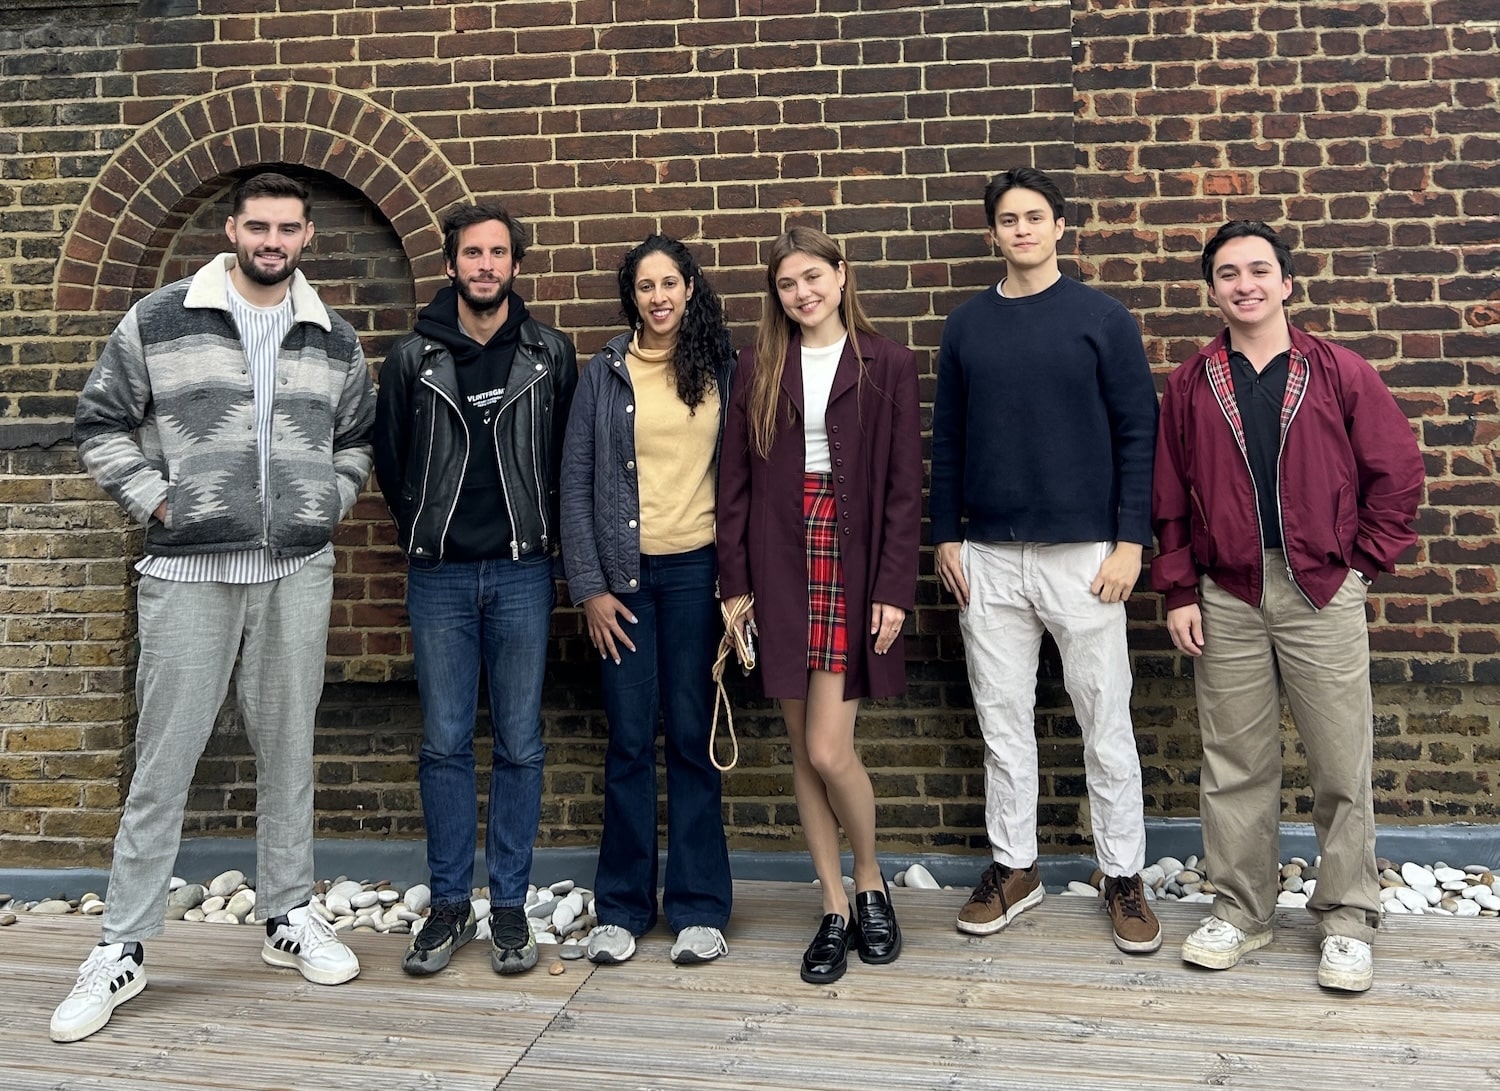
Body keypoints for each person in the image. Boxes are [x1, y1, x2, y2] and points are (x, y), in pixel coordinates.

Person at [57, 172, 373, 1043]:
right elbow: (99, 424)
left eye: (289, 228)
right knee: (164, 763)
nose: (273, 240)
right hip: (189, 575)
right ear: (232, 228)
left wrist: (327, 505)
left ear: (308, 237)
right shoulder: (161, 319)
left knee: (289, 751)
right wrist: (160, 501)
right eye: (258, 225)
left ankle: (286, 916)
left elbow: (355, 440)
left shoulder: (332, 336)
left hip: (294, 573)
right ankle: (120, 943)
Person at [1153, 220, 1424, 992]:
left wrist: (1364, 564)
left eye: (1260, 270)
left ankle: (1347, 918)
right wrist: (1178, 588)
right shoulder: (1192, 382)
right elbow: (1168, 497)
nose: (1246, 284)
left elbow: (1397, 470)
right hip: (1228, 591)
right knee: (1236, 762)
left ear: (1287, 283)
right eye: (1229, 273)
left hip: (1320, 587)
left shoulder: (1336, 370)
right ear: (1211, 290)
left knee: (1342, 760)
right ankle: (1242, 910)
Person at [930, 166, 1163, 955]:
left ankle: (1123, 874)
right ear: (991, 233)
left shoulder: (1103, 318)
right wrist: (944, 535)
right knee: (1002, 721)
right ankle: (1014, 866)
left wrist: (1131, 542)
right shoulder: (966, 326)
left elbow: (1140, 433)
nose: (1022, 229)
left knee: (1106, 721)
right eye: (1008, 218)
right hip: (989, 556)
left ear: (1061, 227)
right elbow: (948, 441)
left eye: (1035, 216)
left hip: (1086, 557)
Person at [374, 202, 577, 977]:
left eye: (498, 253)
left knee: (521, 744)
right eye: (472, 253)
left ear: (515, 265)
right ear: (451, 264)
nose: (485, 265)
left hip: (525, 571)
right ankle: (450, 904)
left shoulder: (549, 353)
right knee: (445, 743)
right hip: (441, 578)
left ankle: (512, 908)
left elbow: (565, 461)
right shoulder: (413, 359)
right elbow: (393, 466)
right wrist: (428, 528)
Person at [717, 226, 921, 984]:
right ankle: (834, 902)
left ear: (841, 274)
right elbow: (731, 485)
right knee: (804, 748)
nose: (801, 293)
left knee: (833, 748)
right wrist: (733, 583)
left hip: (852, 554)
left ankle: (871, 878)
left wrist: (895, 587)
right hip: (777, 558)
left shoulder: (888, 362)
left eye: (812, 277)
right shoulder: (758, 366)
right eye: (786, 284)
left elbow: (905, 489)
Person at [560, 235, 736, 966]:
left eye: (670, 283)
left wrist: (740, 583)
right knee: (630, 741)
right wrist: (590, 587)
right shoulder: (603, 372)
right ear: (629, 296)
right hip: (624, 584)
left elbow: (744, 478)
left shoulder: (723, 366)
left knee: (692, 737)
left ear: (690, 287)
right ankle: (624, 907)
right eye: (645, 287)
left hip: (697, 574)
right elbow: (572, 483)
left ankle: (699, 906)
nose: (659, 297)